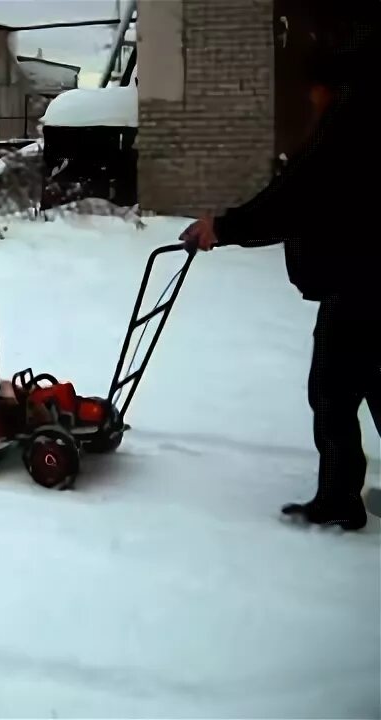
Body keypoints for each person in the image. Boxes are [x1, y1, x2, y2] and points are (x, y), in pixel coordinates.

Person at [179, 33, 380, 531]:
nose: (308, 99)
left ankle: (338, 501)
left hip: (360, 283)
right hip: (370, 280)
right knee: (375, 383)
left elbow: (295, 198)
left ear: (327, 86)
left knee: (333, 393)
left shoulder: (348, 124)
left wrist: (222, 228)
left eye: (311, 88)